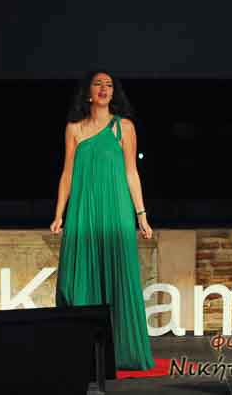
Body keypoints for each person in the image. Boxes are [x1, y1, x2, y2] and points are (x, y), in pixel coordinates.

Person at [50, 70, 155, 370]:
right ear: (88, 92)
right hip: (83, 210)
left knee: (118, 275)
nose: (104, 88)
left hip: (116, 210)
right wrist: (59, 214)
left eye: (109, 85)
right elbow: (67, 174)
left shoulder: (124, 127)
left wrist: (142, 215)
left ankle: (122, 352)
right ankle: (81, 350)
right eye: (98, 84)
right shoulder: (74, 129)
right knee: (74, 279)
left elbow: (132, 173)